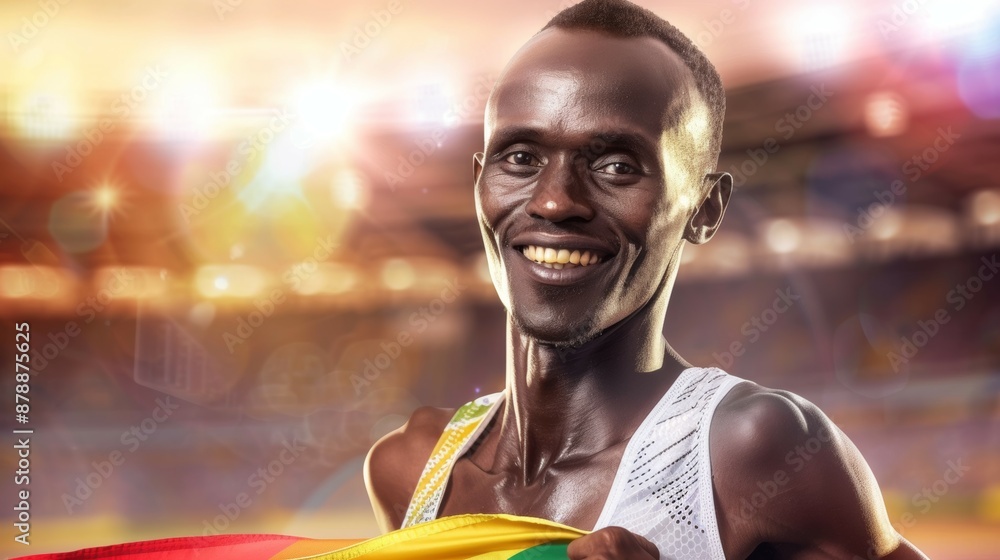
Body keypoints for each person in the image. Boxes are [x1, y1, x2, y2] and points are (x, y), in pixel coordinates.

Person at [365, 1, 930, 558]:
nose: (555, 200)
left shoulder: (755, 448)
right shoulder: (410, 465)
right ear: (479, 184)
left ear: (705, 209)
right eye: (519, 157)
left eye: (616, 166)